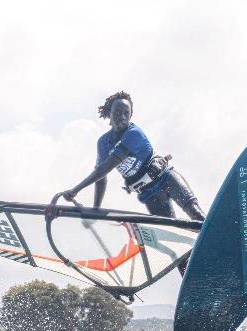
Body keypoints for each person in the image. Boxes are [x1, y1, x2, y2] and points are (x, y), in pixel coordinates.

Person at [61, 91, 205, 274]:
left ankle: (225, 243)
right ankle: (192, 282)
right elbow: (101, 177)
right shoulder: (103, 142)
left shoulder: (134, 133)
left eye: (126, 113)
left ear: (130, 115)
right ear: (108, 113)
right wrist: (96, 210)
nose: (121, 117)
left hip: (167, 178)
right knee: (173, 244)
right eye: (117, 112)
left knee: (195, 214)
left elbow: (105, 168)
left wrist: (75, 190)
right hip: (150, 195)